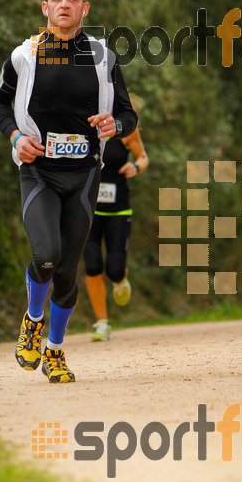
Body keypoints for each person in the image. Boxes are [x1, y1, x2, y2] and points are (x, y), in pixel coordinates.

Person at [0, 0, 137, 383]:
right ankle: (33, 319)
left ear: (84, 8)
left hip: (86, 174)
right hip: (39, 173)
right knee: (47, 255)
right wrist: (16, 135)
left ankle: (54, 351)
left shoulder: (104, 57)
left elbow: (128, 114)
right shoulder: (25, 55)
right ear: (46, 7)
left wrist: (116, 126)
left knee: (69, 273)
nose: (65, 4)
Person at [83, 116, 149, 341]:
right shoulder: (84, 126)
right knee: (92, 264)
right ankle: (102, 323)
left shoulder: (126, 130)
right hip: (88, 210)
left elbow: (143, 156)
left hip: (118, 210)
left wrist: (137, 165)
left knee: (114, 269)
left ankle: (121, 277)